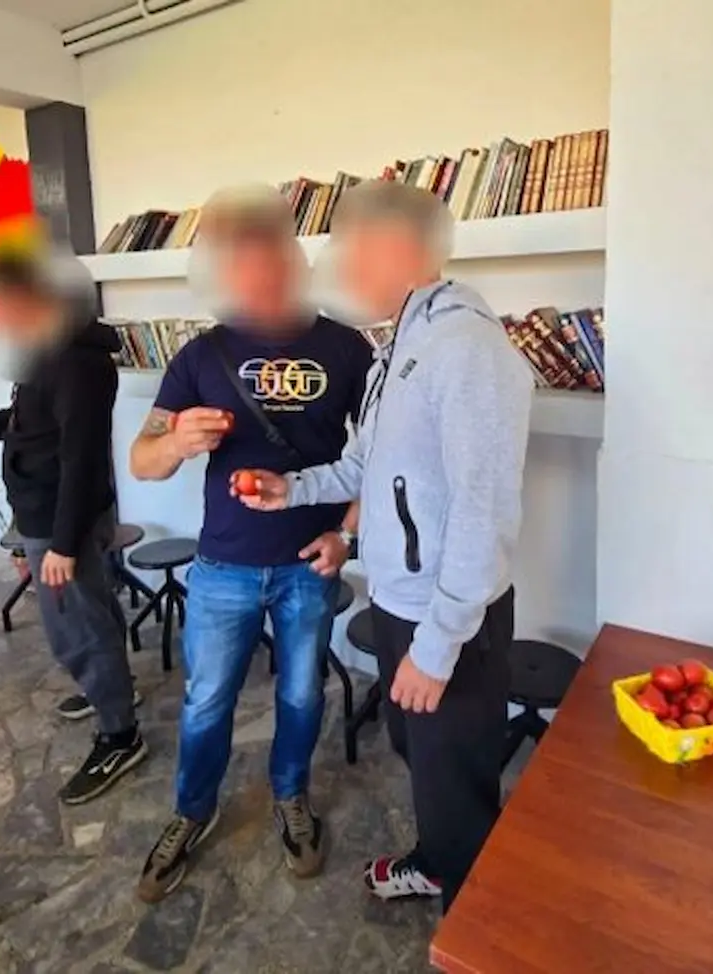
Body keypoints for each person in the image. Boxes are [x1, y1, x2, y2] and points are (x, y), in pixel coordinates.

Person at [237, 180, 533, 911]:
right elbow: (364, 466)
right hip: (404, 602)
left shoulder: (465, 348)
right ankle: (438, 863)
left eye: (352, 248)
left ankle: (474, 921)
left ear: (400, 248)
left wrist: (438, 644)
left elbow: (483, 511)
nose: (338, 265)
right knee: (423, 759)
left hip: (448, 618)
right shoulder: (401, 343)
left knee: (455, 777)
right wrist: (290, 489)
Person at [130, 185, 369, 904]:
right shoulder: (201, 354)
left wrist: (346, 534)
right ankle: (192, 811)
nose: (260, 275)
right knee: (206, 702)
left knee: (301, 694)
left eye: (272, 256)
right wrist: (176, 440)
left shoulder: (348, 348)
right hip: (222, 568)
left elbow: (387, 455)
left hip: (308, 565)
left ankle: (290, 796)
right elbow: (142, 460)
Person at [0, 247, 147, 805]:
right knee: (93, 614)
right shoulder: (48, 350)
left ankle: (120, 735)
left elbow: (81, 459)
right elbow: (27, 423)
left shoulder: (76, 363)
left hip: (62, 522)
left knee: (77, 631)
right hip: (54, 515)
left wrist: (63, 545)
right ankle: (115, 691)